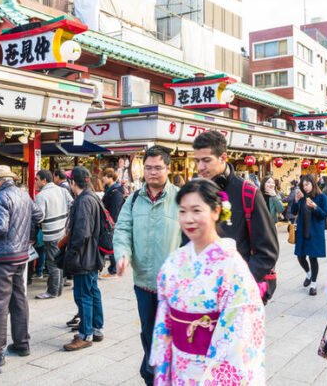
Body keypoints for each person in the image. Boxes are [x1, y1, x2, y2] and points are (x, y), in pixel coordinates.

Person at [150, 179, 265, 384]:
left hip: (211, 368)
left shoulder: (232, 267)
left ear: (216, 211)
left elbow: (237, 334)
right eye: (182, 211)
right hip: (179, 365)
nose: (188, 219)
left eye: (196, 210)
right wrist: (163, 369)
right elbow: (164, 319)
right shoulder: (175, 261)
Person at [113, 146, 181, 385]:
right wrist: (122, 255)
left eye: (158, 168)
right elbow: (122, 230)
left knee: (173, 336)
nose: (152, 173)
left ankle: (161, 374)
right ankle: (153, 376)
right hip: (143, 283)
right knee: (149, 333)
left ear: (168, 168)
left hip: (174, 286)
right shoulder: (133, 200)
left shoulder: (181, 198)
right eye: (149, 168)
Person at [192, 130, 279, 303]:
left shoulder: (247, 192)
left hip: (239, 294)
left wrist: (239, 284)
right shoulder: (194, 192)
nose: (200, 167)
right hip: (203, 290)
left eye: (206, 160)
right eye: (197, 161)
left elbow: (268, 251)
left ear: (223, 157)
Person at [0, 165, 43, 365]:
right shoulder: (24, 195)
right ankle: (22, 343)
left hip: (1, 257)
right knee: (18, 299)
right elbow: (38, 216)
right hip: (20, 255)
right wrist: (26, 235)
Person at [62, 167, 104, 351]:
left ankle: (85, 334)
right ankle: (96, 328)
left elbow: (81, 232)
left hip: (84, 256)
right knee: (92, 291)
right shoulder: (92, 196)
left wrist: (71, 254)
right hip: (92, 254)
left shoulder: (84, 200)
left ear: (73, 183)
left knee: (84, 294)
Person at [34, 170, 73, 300]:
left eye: (37, 179)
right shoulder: (62, 191)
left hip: (50, 233)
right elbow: (72, 205)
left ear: (44, 180)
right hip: (62, 231)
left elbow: (39, 217)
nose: (35, 182)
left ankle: (52, 291)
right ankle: (58, 289)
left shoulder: (41, 195)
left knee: (52, 263)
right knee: (59, 261)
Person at [290, 174, 327, 296]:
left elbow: (324, 215)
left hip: (315, 232)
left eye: (307, 184)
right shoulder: (302, 197)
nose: (305, 187)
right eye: (303, 185)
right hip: (302, 231)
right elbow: (293, 212)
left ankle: (313, 284)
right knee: (300, 256)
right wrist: (296, 201)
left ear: (313, 183)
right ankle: (308, 274)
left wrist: (315, 207)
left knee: (313, 258)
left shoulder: (322, 197)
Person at [101, 168, 124, 279]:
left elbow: (115, 210)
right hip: (110, 222)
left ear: (110, 177)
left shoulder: (115, 192)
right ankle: (113, 268)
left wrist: (111, 223)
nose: (103, 178)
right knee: (111, 245)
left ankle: (114, 269)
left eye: (104, 176)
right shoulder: (110, 189)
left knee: (112, 245)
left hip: (112, 223)